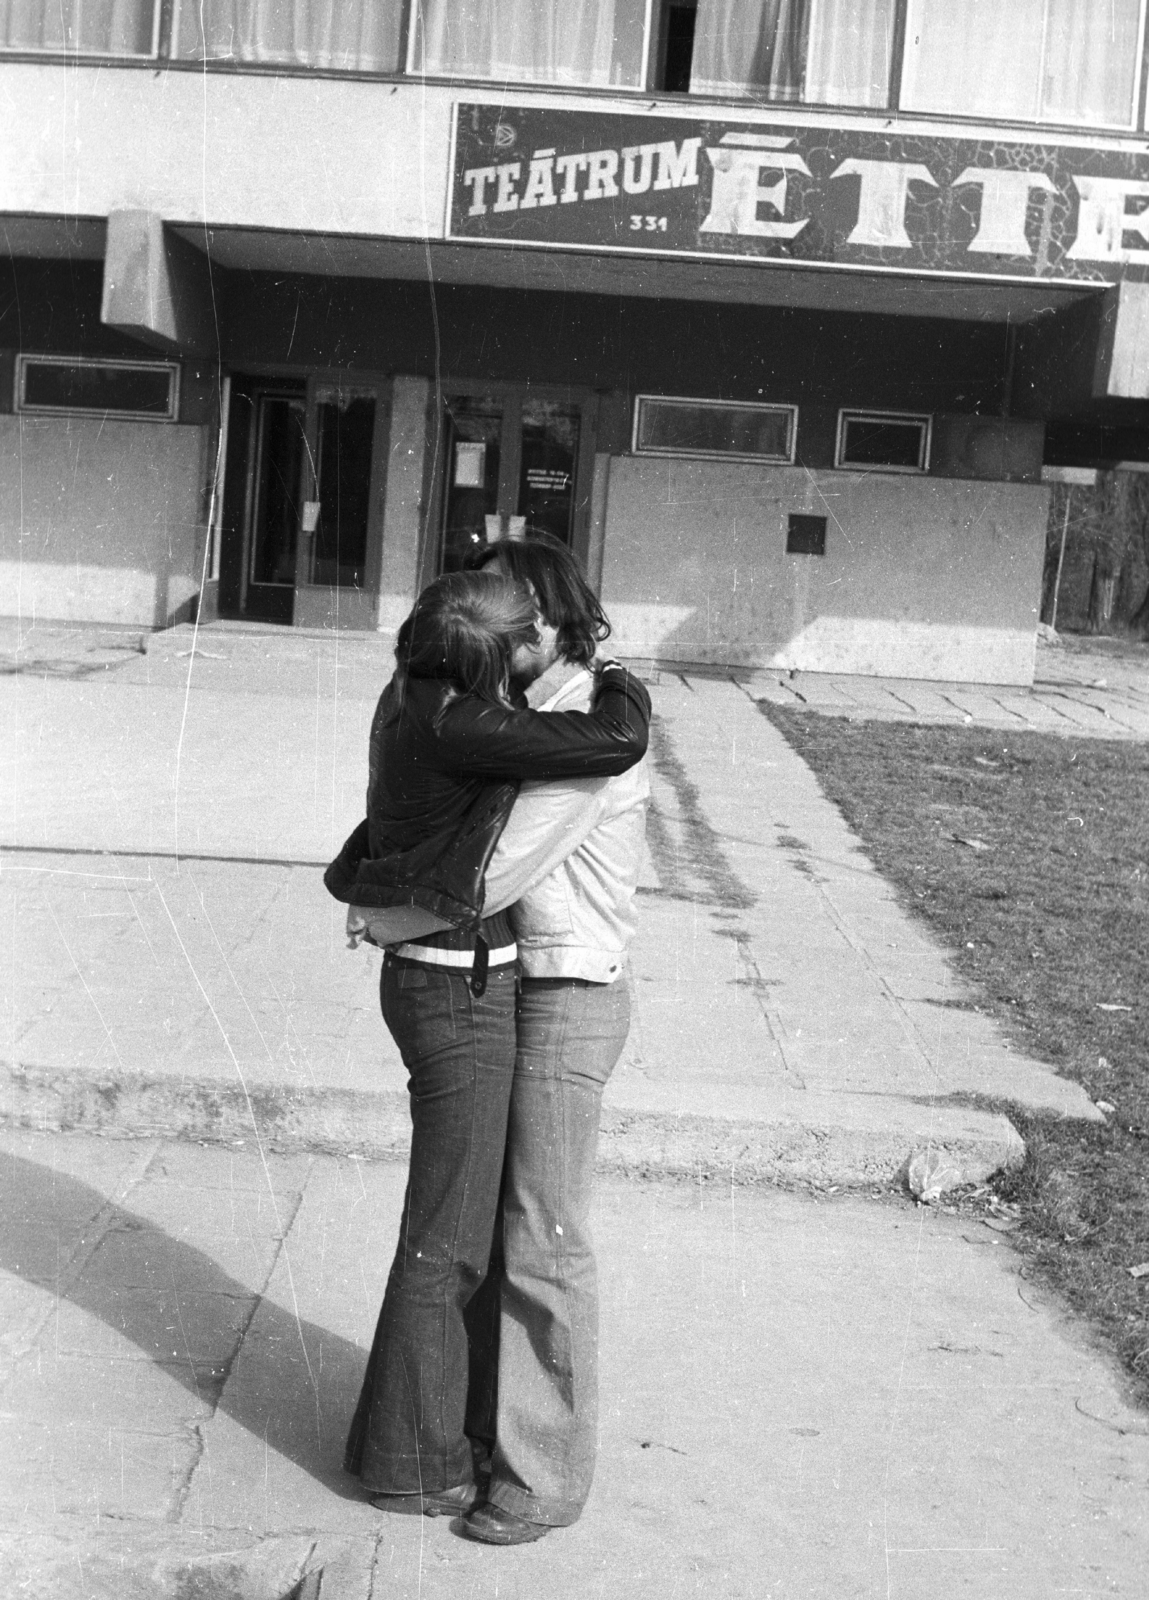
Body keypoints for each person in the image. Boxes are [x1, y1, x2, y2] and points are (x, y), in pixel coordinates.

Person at [325, 568, 651, 1520]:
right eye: (517, 626)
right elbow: (481, 846)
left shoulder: (474, 704)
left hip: (552, 982)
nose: (529, 638)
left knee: (518, 1239)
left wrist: (381, 900)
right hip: (471, 981)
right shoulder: (484, 714)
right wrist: (390, 899)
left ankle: (518, 1470)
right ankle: (423, 1455)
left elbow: (500, 847)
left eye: (537, 618)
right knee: (460, 1240)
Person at [459, 532, 650, 1545]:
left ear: (555, 620)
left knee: (545, 1237)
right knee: (503, 1234)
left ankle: (549, 1475)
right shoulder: (535, 715)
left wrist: (394, 895)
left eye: (508, 620)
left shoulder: (584, 734)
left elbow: (494, 870)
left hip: (570, 998)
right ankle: (501, 1433)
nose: (494, 637)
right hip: (524, 988)